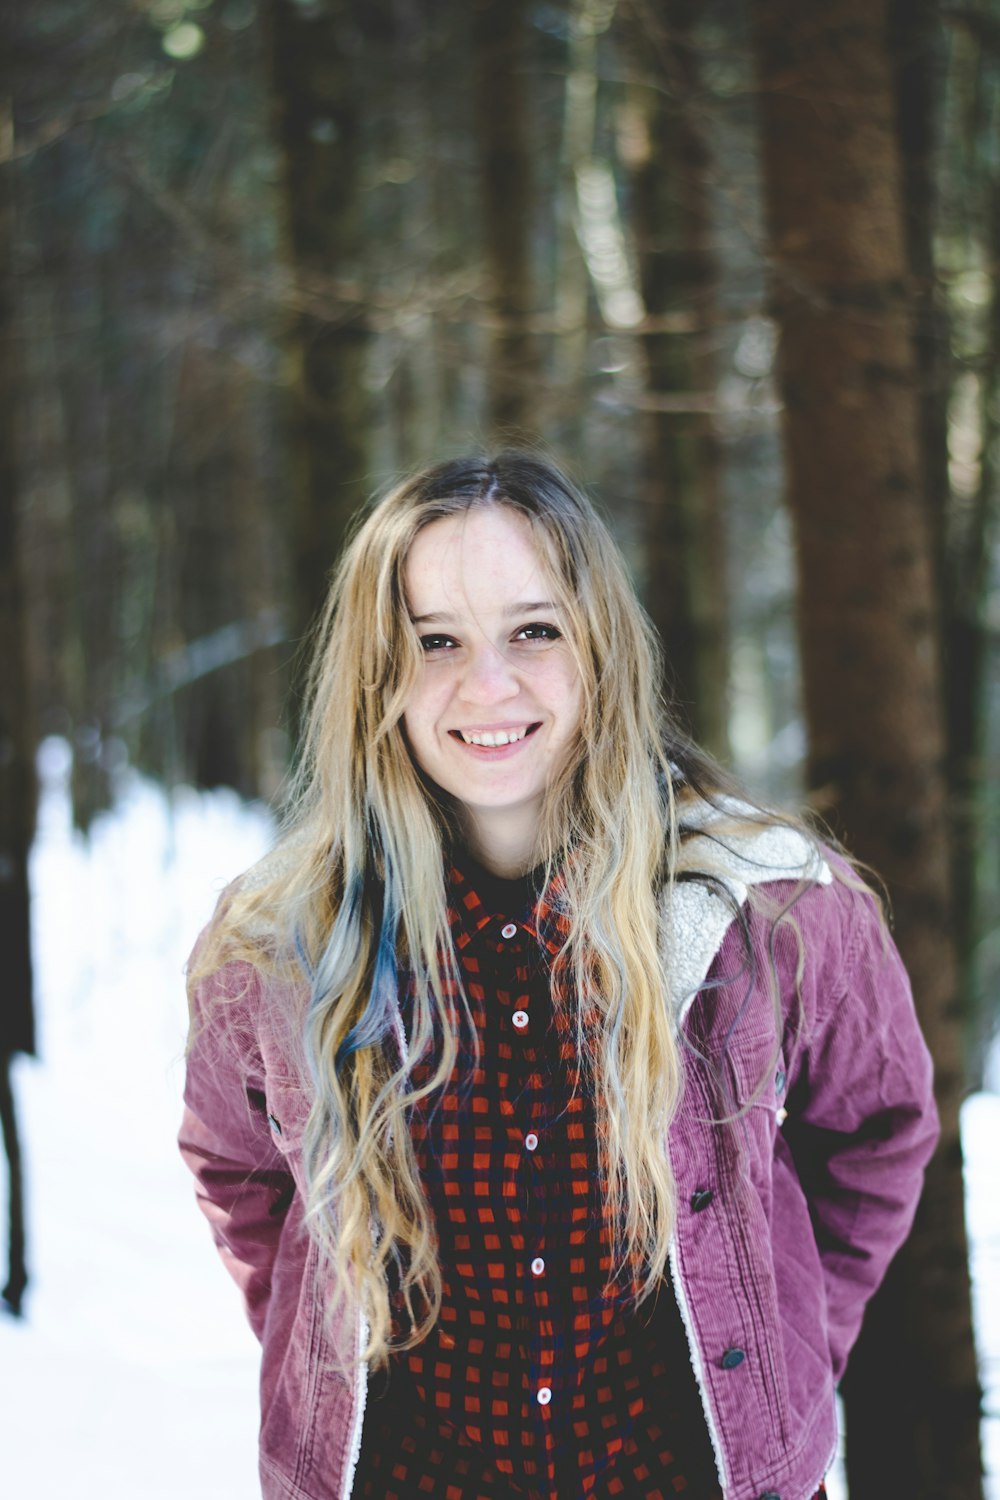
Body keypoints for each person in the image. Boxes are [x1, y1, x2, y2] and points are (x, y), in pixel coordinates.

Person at [179, 452, 939, 1500]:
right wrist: (319, 1345)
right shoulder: (272, 946)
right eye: (434, 640)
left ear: (601, 644)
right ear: (376, 670)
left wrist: (783, 1340)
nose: (486, 685)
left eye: (533, 630)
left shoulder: (778, 908)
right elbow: (240, 1172)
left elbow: (876, 1132)